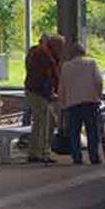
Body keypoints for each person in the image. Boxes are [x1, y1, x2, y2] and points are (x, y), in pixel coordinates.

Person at [59, 43, 104, 165]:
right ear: (84, 52)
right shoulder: (91, 63)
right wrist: (98, 96)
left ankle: (77, 158)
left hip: (73, 103)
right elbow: (98, 81)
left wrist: (62, 103)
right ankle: (94, 157)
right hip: (90, 102)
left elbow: (62, 86)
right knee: (92, 131)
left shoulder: (66, 66)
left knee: (74, 132)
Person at [24, 34, 64, 164]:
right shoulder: (44, 54)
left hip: (34, 91)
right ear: (55, 45)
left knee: (41, 121)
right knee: (45, 122)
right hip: (39, 92)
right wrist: (52, 93)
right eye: (61, 46)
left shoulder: (38, 52)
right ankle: (42, 154)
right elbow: (48, 76)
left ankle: (34, 152)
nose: (62, 49)